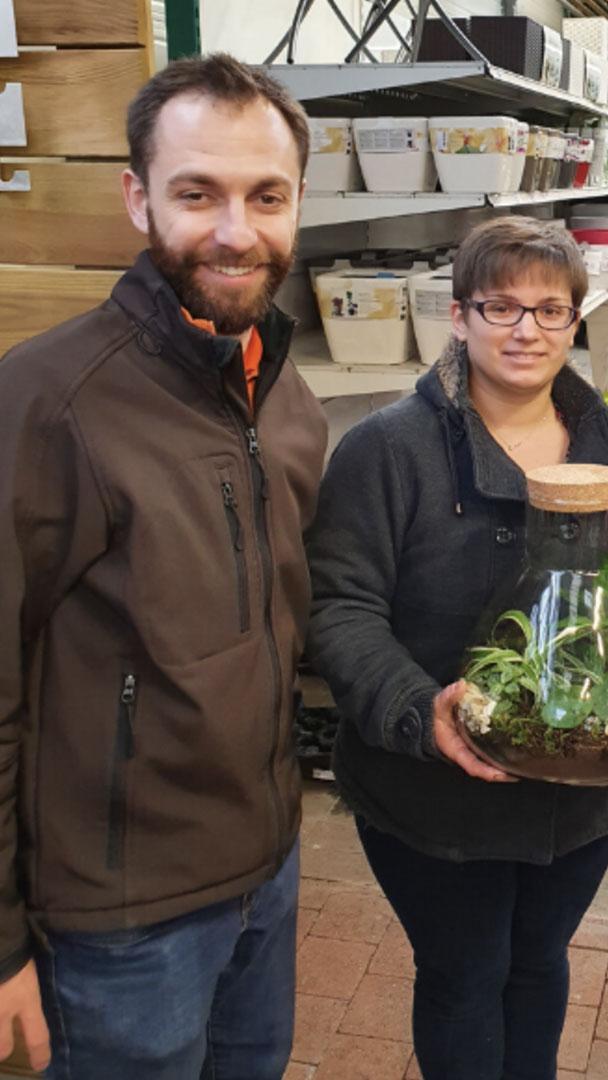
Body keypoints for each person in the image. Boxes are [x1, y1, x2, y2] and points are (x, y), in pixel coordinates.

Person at [305, 216, 608, 1080]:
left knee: (538, 962)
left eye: (551, 310)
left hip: (585, 787)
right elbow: (341, 609)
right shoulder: (388, 451)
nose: (527, 330)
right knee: (463, 973)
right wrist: (421, 711)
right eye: (501, 307)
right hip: (435, 792)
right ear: (458, 318)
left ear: (575, 321)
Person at [0, 54, 327, 1079]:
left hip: (265, 872)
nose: (236, 231)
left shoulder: (285, 395)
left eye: (265, 196)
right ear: (137, 197)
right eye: (198, 194)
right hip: (119, 922)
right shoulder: (49, 404)